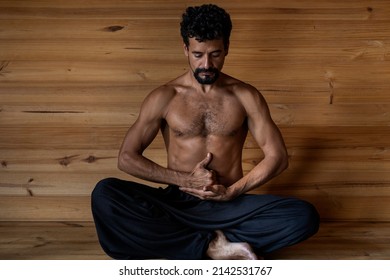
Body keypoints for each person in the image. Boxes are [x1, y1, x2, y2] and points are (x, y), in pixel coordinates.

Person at [91, 4, 319, 260]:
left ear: (227, 49)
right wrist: (185, 181)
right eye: (198, 54)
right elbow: (127, 158)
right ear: (186, 49)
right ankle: (213, 247)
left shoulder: (245, 96)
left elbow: (278, 157)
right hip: (178, 202)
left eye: (215, 54)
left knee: (302, 215)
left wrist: (232, 192)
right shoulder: (164, 96)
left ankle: (188, 242)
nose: (206, 64)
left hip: (229, 203)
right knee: (106, 194)